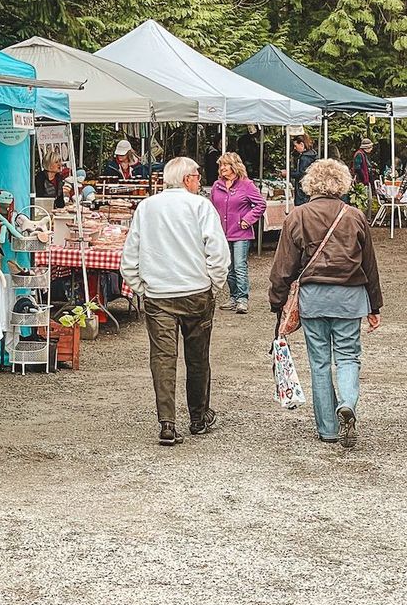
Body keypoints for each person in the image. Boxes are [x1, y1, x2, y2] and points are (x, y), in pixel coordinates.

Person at [269, 159, 381, 448]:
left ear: (311, 184)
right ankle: (347, 403)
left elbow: (283, 266)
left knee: (319, 363)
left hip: (313, 298)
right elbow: (369, 264)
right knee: (347, 356)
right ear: (342, 183)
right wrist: (374, 306)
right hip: (349, 297)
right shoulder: (355, 216)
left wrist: (277, 300)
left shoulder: (298, 216)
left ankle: (328, 429)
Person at [121, 157, 230, 447]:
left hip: (159, 294)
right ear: (186, 179)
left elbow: (130, 254)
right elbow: (218, 251)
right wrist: (214, 284)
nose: (199, 180)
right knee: (198, 357)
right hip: (195, 291)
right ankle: (198, 416)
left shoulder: (146, 207)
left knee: (162, 358)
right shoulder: (200, 206)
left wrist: (139, 286)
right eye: (196, 175)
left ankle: (167, 422)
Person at [210, 152, 267, 315]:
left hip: (241, 232)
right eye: (220, 165)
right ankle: (234, 296)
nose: (222, 169)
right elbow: (211, 207)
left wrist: (247, 219)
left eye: (225, 165)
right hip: (222, 232)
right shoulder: (217, 185)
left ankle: (243, 299)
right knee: (227, 266)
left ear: (234, 166)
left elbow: (260, 204)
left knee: (240, 265)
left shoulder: (246, 184)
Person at [291, 131, 318, 206]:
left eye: (296, 146)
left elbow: (301, 174)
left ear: (302, 144)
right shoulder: (313, 155)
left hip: (302, 192)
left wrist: (288, 173)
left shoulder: (304, 158)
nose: (294, 148)